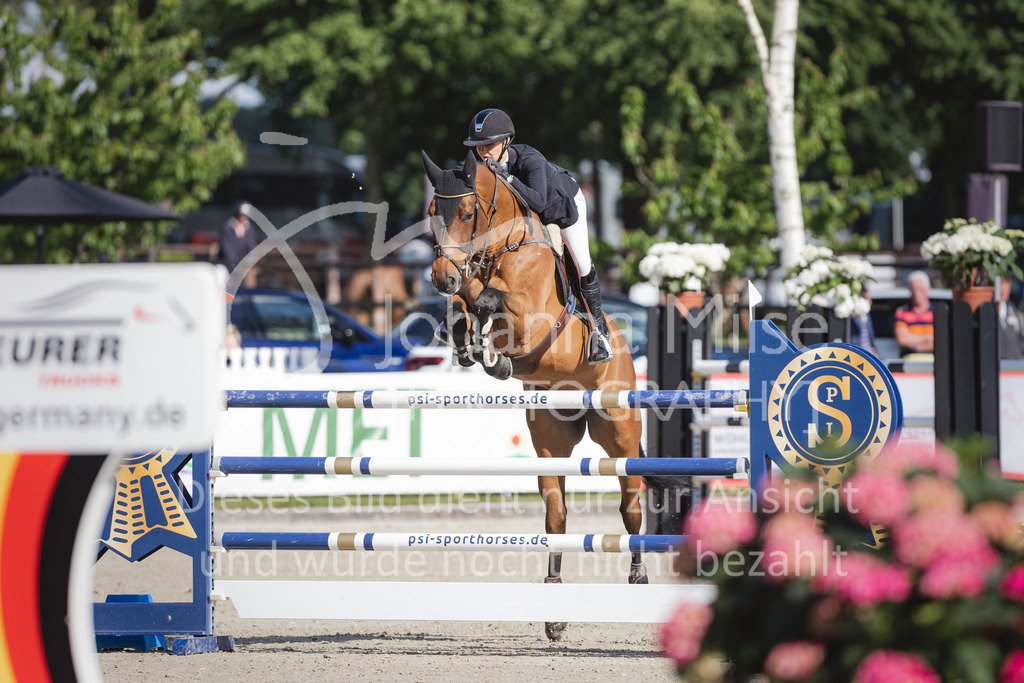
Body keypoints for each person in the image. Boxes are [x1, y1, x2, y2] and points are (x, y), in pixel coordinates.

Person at [461, 108, 612, 364]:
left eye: (489, 145)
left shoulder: (530, 160)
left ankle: (600, 334)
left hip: (562, 208)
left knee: (582, 264)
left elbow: (540, 203)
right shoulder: (486, 169)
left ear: (506, 141)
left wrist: (508, 178)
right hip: (527, 217)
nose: (483, 151)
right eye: (478, 146)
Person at [894, 270, 934, 358]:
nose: (916, 292)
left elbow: (941, 340)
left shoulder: (937, 312)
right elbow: (902, 340)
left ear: (928, 288)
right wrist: (929, 338)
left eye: (920, 288)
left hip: (935, 361)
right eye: (913, 289)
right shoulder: (902, 312)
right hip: (908, 362)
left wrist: (914, 344)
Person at [217, 200, 258, 286]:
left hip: (241, 262)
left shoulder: (249, 229)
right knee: (228, 275)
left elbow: (250, 247)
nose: (245, 218)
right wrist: (234, 263)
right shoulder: (227, 227)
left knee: (250, 271)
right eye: (242, 215)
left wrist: (249, 260)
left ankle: (249, 292)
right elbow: (226, 248)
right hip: (227, 262)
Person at [998, 277, 1024, 359]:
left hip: (1015, 361)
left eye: (1007, 290)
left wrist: (1019, 352)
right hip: (1000, 360)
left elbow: (1020, 335)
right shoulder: (991, 310)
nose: (1004, 293)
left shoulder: (1012, 310)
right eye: (1002, 289)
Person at [850, 287, 877, 356]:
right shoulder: (847, 319)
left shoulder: (866, 316)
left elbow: (870, 339)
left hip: (868, 355)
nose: (870, 302)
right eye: (867, 298)